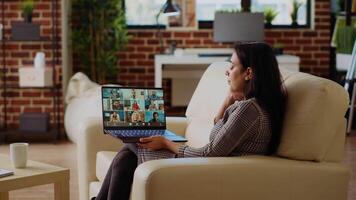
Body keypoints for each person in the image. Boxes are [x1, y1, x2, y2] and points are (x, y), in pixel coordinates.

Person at [94, 42, 286, 200]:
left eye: (232, 66)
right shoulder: (253, 105)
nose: (227, 72)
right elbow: (217, 134)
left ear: (249, 73)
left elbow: (209, 153)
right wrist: (228, 99)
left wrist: (167, 143)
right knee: (125, 158)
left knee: (133, 147)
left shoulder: (249, 109)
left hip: (207, 169)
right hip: (212, 165)